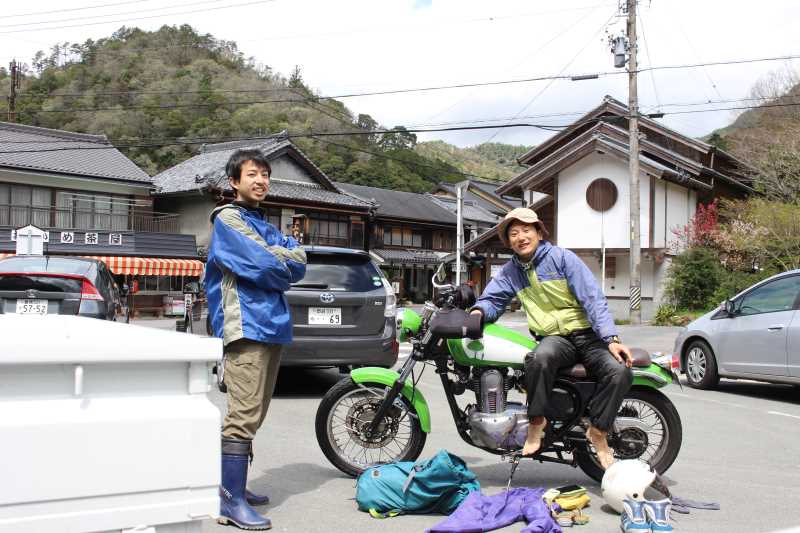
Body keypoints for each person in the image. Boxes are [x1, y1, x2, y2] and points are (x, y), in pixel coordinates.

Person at [469, 208, 632, 470]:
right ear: (509, 242)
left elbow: (592, 298)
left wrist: (610, 337)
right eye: (513, 234)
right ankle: (536, 423)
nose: (520, 237)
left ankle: (598, 431)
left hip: (588, 336)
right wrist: (477, 312)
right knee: (538, 358)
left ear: (538, 232)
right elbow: (493, 299)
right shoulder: (511, 271)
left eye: (525, 230)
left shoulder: (561, 258)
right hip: (556, 339)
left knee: (620, 371)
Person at [205, 148, 307, 530]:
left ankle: (236, 488)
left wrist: (279, 259)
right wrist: (281, 260)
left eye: (265, 174)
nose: (261, 180)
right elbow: (266, 264)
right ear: (235, 181)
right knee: (243, 414)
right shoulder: (228, 220)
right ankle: (229, 501)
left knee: (256, 413)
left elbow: (298, 262)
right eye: (252, 174)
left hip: (272, 324)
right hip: (246, 325)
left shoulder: (262, 223)